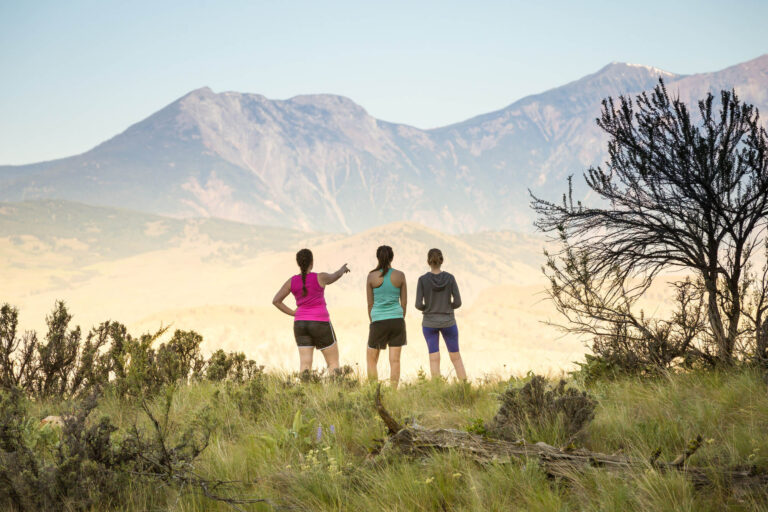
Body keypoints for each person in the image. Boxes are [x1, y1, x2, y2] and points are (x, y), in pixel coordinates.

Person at [272, 248, 349, 373]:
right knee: (333, 362)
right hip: (320, 323)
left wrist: (293, 313)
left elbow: (276, 301)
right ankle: (336, 390)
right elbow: (335, 276)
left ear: (298, 263)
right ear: (312, 262)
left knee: (305, 364)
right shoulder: (321, 277)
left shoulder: (292, 281)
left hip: (300, 324)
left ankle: (303, 392)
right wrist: (343, 269)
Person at [415, 248, 467, 380]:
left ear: (428, 261)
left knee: (434, 358)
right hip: (448, 321)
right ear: (442, 261)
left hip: (429, 323)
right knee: (456, 357)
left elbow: (418, 304)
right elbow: (458, 302)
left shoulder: (422, 280)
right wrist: (448, 307)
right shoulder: (450, 278)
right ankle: (465, 387)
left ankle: (437, 387)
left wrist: (428, 308)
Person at [366, 245, 407, 389]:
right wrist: (398, 317)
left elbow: (370, 305)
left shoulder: (371, 277)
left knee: (371, 360)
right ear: (392, 257)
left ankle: (373, 392)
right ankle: (392, 393)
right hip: (397, 320)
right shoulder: (400, 275)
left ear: (377, 257)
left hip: (378, 321)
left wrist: (375, 321)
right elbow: (404, 303)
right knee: (395, 361)